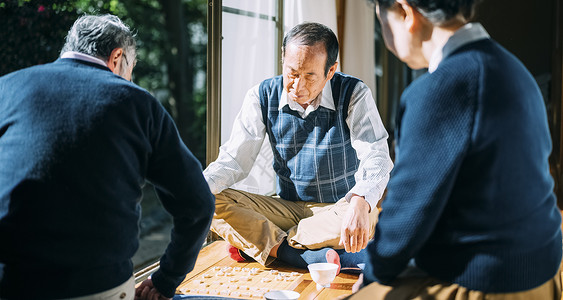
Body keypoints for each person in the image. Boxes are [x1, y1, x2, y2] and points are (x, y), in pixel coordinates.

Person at [349, 0, 563, 299]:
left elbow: (405, 219)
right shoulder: (515, 71)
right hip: (543, 270)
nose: (385, 37)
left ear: (405, 12)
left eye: (382, 23)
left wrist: (372, 274)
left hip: (490, 281)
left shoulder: (442, 87)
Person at [0, 14, 215, 300]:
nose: (129, 80)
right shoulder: (137, 103)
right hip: (98, 287)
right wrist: (166, 277)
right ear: (117, 57)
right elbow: (198, 204)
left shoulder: (7, 88)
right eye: (131, 70)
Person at [204, 22, 393, 271]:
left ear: (330, 71)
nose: (297, 86)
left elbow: (376, 154)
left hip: (338, 209)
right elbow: (234, 159)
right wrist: (197, 189)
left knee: (367, 217)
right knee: (209, 200)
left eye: (310, 76)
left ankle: (262, 243)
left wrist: (360, 200)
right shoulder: (261, 96)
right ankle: (296, 253)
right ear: (283, 60)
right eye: (292, 73)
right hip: (285, 206)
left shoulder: (353, 93)